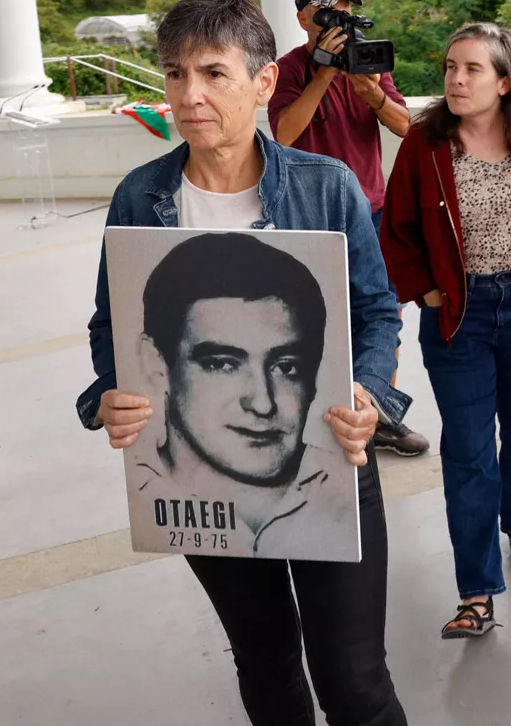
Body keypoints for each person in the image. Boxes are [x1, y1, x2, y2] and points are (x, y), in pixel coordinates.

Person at [76, 0, 409, 726]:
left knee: (354, 680)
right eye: (174, 73)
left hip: (330, 459)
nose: (189, 95)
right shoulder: (142, 196)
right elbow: (112, 321)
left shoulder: (326, 188)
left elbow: (377, 311)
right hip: (200, 484)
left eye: (213, 73)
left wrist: (373, 396)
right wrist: (109, 391)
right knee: (263, 664)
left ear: (263, 83)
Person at [380, 22, 511, 640]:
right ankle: (476, 589)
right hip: (459, 313)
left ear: (505, 82)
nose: (455, 79)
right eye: (451, 66)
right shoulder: (424, 147)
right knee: (469, 451)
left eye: (472, 69)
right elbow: (395, 229)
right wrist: (425, 291)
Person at [266, 0, 428, 458]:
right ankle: (307, 413)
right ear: (303, 19)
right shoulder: (289, 69)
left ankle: (378, 412)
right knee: (311, 318)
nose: (340, 22)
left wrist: (372, 92)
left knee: (382, 318)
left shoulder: (369, 61)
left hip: (372, 210)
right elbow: (284, 136)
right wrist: (322, 76)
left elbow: (408, 128)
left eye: (346, 12)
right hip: (310, 215)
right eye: (327, 14)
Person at [128, 232, 350, 558]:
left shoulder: (344, 494)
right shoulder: (141, 490)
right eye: (222, 364)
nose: (262, 402)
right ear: (156, 364)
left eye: (286, 367)